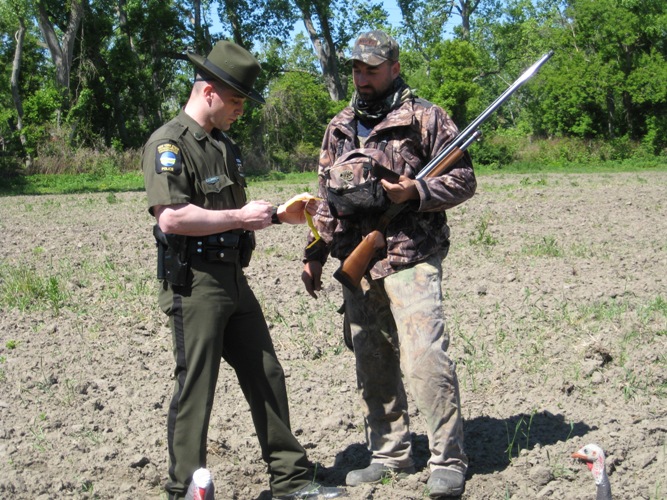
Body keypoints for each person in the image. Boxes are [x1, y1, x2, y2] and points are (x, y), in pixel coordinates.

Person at [142, 40, 345, 500]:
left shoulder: (223, 146)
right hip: (194, 283)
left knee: (265, 372)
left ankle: (290, 479)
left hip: (234, 277)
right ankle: (183, 490)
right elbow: (171, 217)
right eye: (236, 101)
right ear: (209, 91)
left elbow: (233, 209)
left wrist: (278, 215)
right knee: (196, 385)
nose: (240, 111)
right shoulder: (168, 144)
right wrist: (241, 217)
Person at [301, 30, 476, 498]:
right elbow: (324, 199)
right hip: (357, 261)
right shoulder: (339, 126)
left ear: (394, 68)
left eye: (371, 69)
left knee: (425, 359)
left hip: (410, 257)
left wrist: (415, 192)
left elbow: (463, 179)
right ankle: (390, 453)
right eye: (356, 69)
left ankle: (447, 458)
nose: (362, 77)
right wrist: (315, 254)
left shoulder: (425, 117)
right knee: (372, 361)